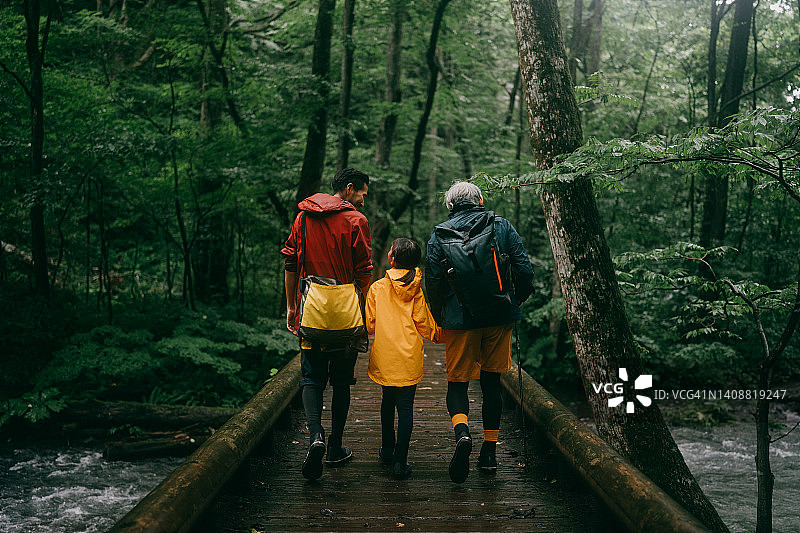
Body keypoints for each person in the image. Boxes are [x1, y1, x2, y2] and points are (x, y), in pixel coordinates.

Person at [425, 181, 533, 483]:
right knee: (491, 383)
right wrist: (516, 300)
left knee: (457, 383)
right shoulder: (501, 226)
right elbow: (524, 270)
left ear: (450, 205)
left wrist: (441, 317)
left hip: (460, 321)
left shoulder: (439, 235)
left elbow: (433, 285)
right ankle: (489, 451)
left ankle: (462, 434)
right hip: (498, 316)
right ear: (480, 200)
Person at [280, 168, 372, 480]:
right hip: (346, 314)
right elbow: (364, 269)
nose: (362, 201)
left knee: (311, 377)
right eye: (361, 194)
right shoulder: (356, 221)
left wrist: (292, 306)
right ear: (349, 189)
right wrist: (359, 298)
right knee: (342, 381)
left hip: (312, 310)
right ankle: (334, 448)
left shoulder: (302, 218)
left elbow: (291, 262)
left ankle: (315, 436)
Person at [365, 238, 441, 480]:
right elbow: (425, 323)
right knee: (405, 408)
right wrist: (446, 335)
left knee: (387, 402)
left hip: (385, 356)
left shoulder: (377, 288)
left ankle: (387, 449)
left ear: (392, 260)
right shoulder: (417, 289)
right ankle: (400, 462)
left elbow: (369, 325)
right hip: (408, 357)